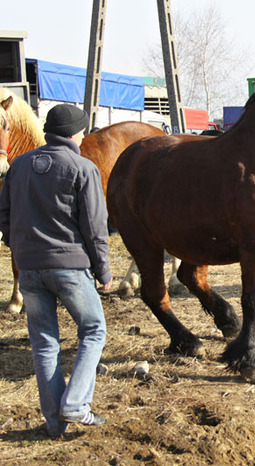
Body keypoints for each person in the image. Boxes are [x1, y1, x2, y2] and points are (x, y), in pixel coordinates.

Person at [0, 104, 112, 437]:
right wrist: (104, 272)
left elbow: (3, 215)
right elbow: (95, 228)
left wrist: (17, 246)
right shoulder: (82, 167)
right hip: (71, 268)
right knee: (93, 330)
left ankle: (54, 421)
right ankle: (76, 405)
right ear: (76, 134)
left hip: (30, 269)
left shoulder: (18, 166)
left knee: (45, 343)